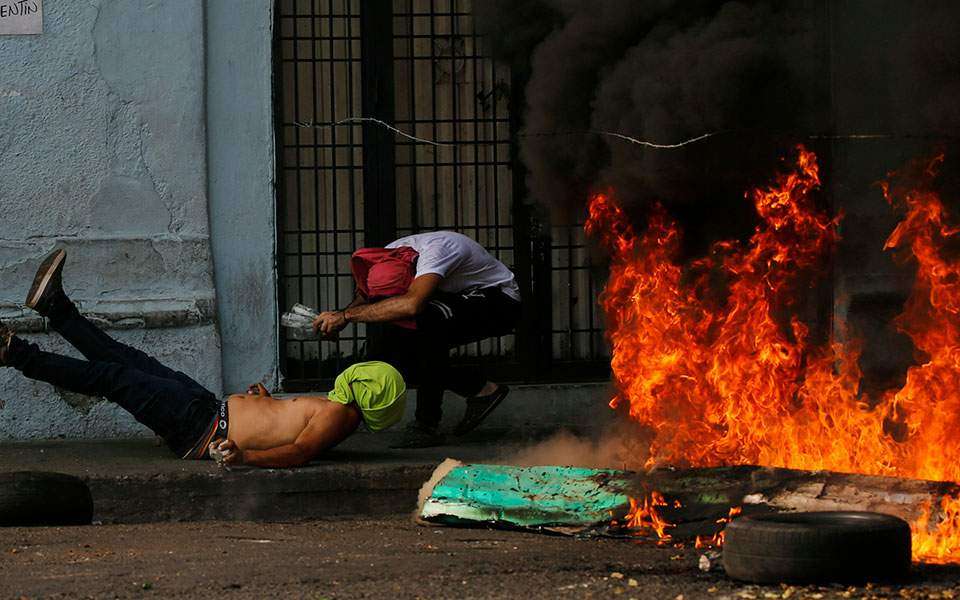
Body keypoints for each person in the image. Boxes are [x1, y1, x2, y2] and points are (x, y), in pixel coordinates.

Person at [0, 249, 407, 468]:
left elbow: (298, 452)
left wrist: (244, 456)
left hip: (202, 428)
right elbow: (281, 427)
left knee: (113, 376)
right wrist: (264, 401)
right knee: (125, 359)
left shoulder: (341, 416)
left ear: (368, 389)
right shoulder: (334, 410)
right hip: (205, 408)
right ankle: (56, 308)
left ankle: (14, 352)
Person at [312, 231, 522, 448]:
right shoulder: (387, 255)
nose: (391, 302)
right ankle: (481, 389)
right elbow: (366, 297)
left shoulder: (437, 253)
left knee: (426, 323)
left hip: (500, 301)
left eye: (396, 296)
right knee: (390, 349)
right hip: (452, 296)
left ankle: (426, 425)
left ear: (413, 277)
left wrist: (347, 316)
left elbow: (411, 304)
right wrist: (338, 318)